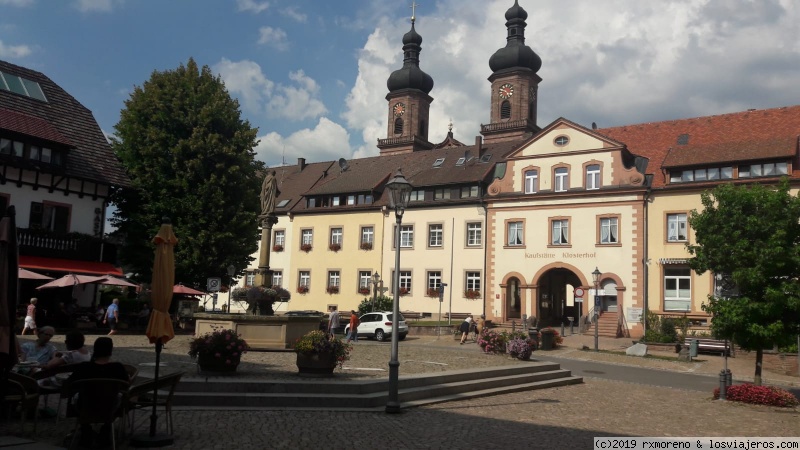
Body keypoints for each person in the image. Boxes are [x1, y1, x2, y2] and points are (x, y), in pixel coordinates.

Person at [65, 337, 129, 448]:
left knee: (75, 396)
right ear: (110, 350)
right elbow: (126, 385)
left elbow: (70, 384)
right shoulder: (117, 368)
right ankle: (106, 428)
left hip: (86, 406)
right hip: (109, 407)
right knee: (119, 397)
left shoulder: (84, 367)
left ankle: (85, 428)